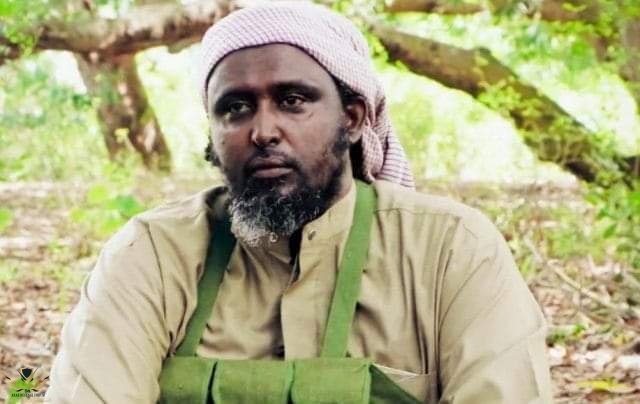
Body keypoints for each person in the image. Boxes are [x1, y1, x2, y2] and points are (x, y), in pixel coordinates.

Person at [47, 2, 553, 403]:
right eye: (236, 108)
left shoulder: (451, 251)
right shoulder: (155, 254)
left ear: (352, 119)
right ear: (213, 134)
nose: (263, 131)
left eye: (292, 101)